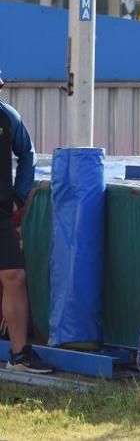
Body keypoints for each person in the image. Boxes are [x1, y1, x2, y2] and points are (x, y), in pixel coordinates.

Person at [0, 69, 53, 373]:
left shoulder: (8, 118)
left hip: (1, 213)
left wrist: (19, 196)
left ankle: (19, 356)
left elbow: (27, 155)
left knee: (15, 277)